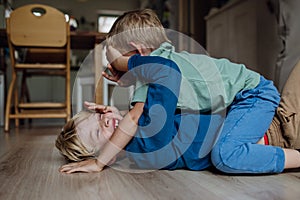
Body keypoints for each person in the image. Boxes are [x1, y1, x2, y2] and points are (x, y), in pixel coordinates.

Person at [57, 9, 300, 174]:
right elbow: (141, 116)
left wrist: (100, 161)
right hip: (247, 98)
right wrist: (119, 110)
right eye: (97, 129)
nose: (103, 121)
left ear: (138, 52)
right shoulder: (155, 69)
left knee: (226, 154)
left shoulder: (157, 68)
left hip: (253, 94)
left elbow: (136, 116)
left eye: (116, 60)